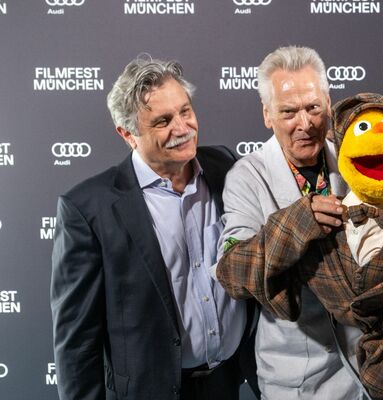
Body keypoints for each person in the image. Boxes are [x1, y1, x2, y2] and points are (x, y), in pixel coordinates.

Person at [51, 55, 257, 400]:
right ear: (128, 134)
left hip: (229, 383)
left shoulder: (225, 166)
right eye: (163, 121)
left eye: (185, 111)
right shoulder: (88, 209)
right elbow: (77, 342)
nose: (183, 128)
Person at [213, 46, 365, 398]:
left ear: (328, 103)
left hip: (364, 371)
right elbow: (233, 271)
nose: (305, 123)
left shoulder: (355, 157)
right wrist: (297, 222)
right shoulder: (247, 177)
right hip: (295, 381)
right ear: (267, 115)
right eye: (288, 111)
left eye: (313, 107)